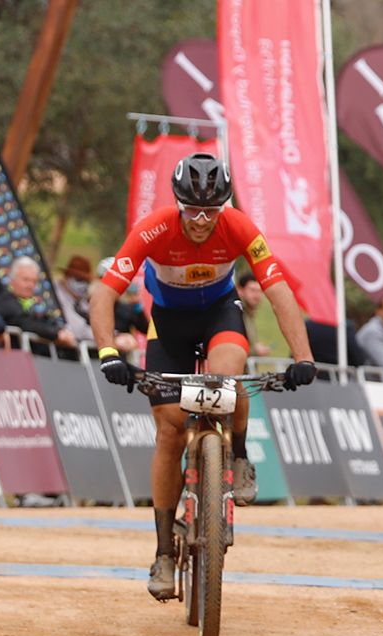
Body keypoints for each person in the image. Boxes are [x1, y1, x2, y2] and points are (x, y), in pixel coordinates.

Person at [88, 152, 317, 602]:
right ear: (178, 204)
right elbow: (104, 293)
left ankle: (239, 456)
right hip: (168, 324)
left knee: (227, 379)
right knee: (170, 433)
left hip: (218, 314)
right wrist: (109, 352)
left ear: (224, 207)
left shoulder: (240, 228)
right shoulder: (154, 227)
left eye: (210, 212)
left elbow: (278, 290)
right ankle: (163, 553)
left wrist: (303, 355)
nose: (200, 221)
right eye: (191, 210)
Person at [0, 256, 77, 349]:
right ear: (12, 279)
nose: (30, 285)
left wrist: (58, 329)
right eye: (26, 280)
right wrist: (56, 334)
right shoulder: (4, 300)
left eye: (34, 281)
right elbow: (25, 323)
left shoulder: (26, 303)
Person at [53, 255, 95, 343]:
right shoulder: (55, 295)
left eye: (86, 281)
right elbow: (77, 329)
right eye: (78, 279)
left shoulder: (82, 301)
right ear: (66, 277)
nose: (82, 284)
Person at [236, 273, 272, 356]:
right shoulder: (236, 313)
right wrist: (254, 351)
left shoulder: (249, 314)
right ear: (240, 290)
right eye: (252, 290)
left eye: (259, 291)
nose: (256, 295)